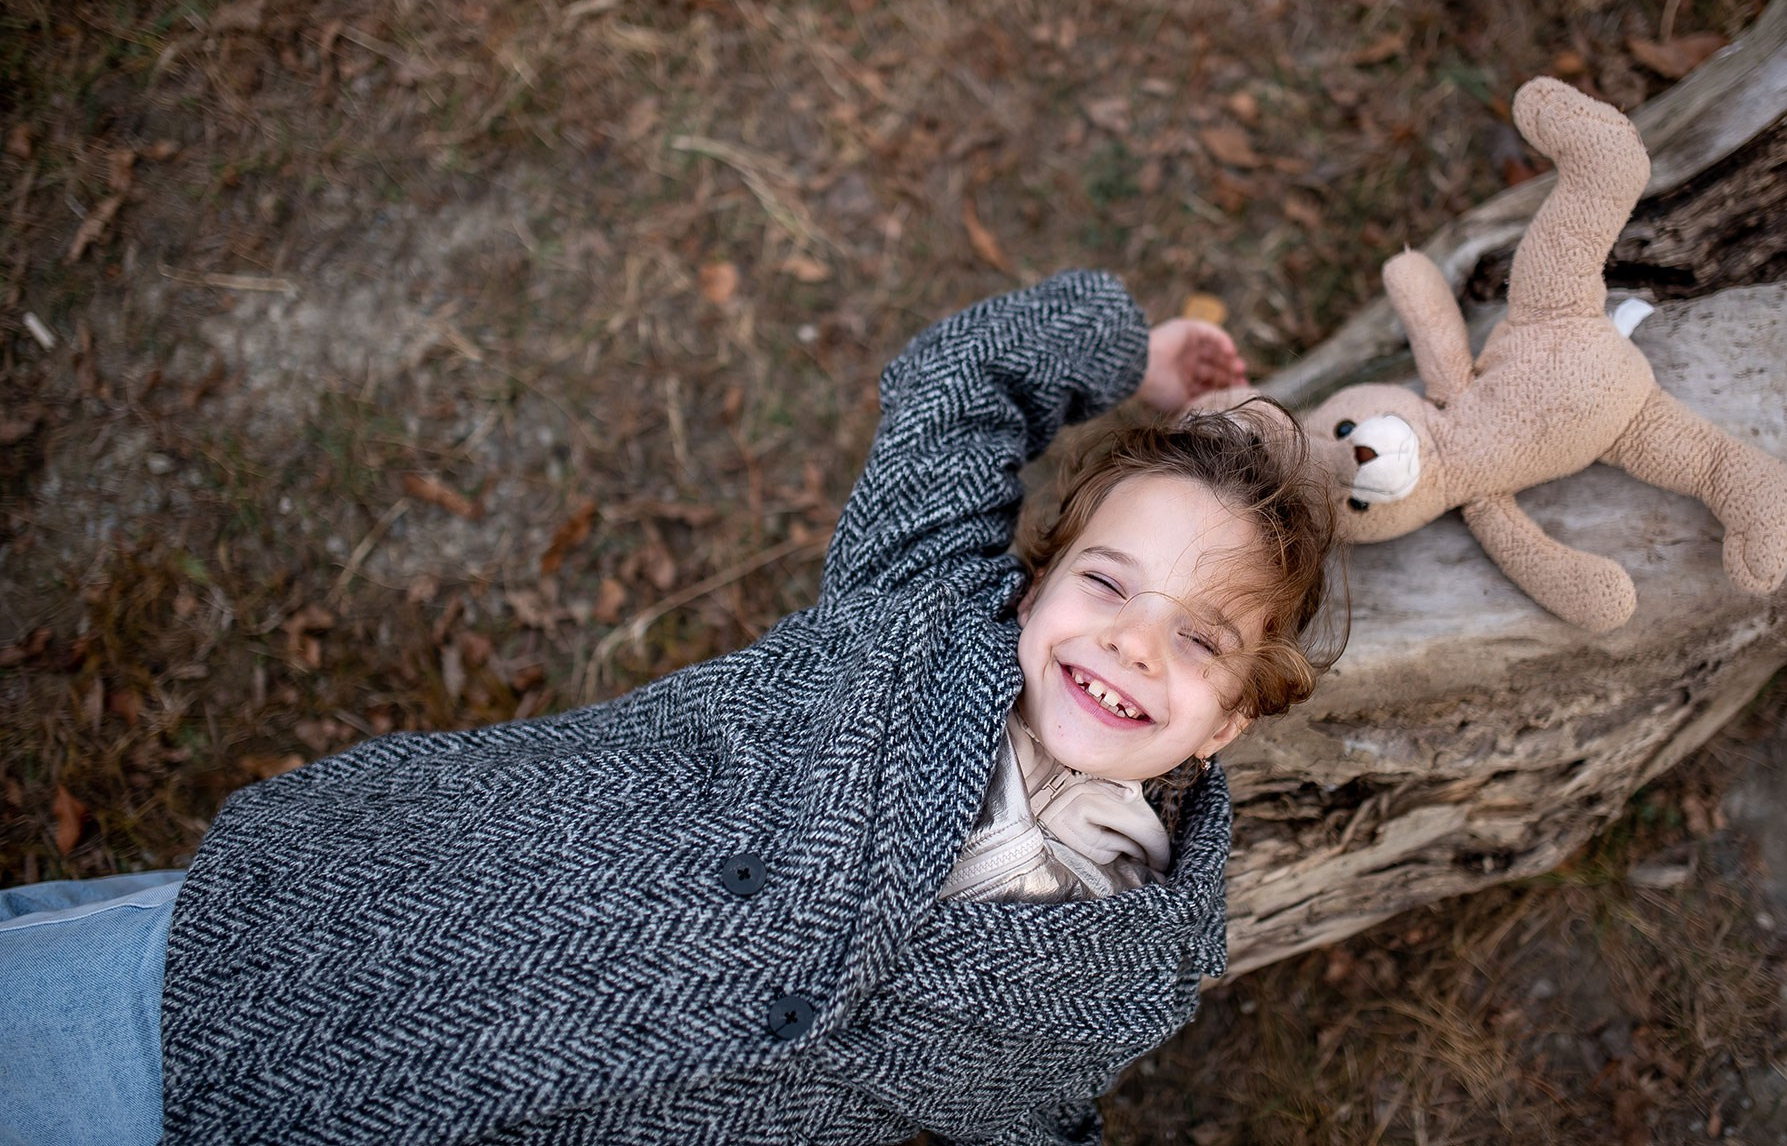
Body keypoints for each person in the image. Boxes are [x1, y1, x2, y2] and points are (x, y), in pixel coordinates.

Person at [0, 270, 1340, 1145]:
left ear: (1227, 720)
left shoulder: (1137, 969)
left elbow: (1027, 1120)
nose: (1131, 639)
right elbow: (959, 386)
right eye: (1108, 580)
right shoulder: (918, 614)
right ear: (1038, 581)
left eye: (1202, 636)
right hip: (328, 956)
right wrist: (1135, 365)